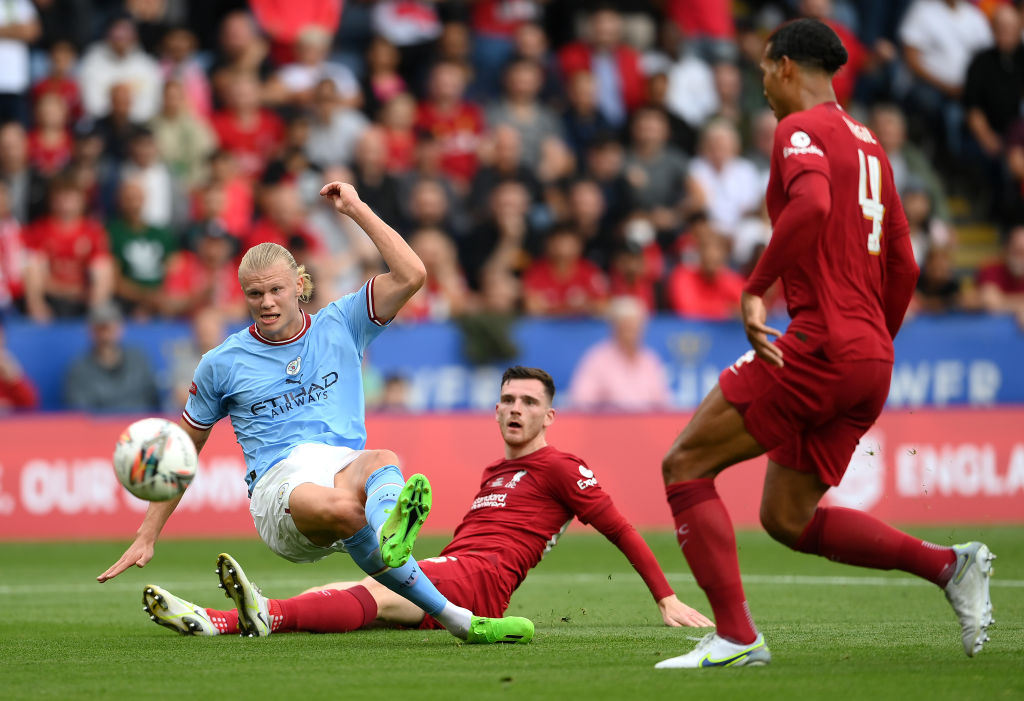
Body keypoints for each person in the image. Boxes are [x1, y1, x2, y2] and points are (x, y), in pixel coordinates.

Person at [655, 19, 994, 669]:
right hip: (870, 357)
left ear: (786, 66)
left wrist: (756, 289)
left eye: (763, 69)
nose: (761, 83)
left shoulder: (798, 130)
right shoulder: (871, 146)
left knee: (685, 465)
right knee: (787, 517)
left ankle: (737, 637)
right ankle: (949, 566)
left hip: (819, 344)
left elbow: (809, 205)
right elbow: (905, 264)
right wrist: (871, 343)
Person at [97, 182, 534, 647]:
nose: (267, 302)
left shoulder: (342, 323)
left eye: (276, 290)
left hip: (342, 468)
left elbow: (412, 274)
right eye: (255, 294)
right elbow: (184, 450)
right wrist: (148, 534)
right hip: (278, 488)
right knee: (346, 508)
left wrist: (357, 210)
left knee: (381, 461)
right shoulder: (221, 364)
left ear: (300, 287)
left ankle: (452, 610)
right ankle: (389, 530)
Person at [140, 366, 712, 637]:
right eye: (508, 400)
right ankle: (225, 619)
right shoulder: (497, 470)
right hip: (459, 568)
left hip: (481, 579)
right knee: (350, 592)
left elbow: (621, 528)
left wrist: (665, 598)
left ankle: (256, 616)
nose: (516, 409)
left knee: (368, 592)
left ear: (549, 416)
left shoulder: (561, 467)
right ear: (496, 410)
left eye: (529, 402)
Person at [568, 297, 671, 411]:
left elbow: (663, 403)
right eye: (627, 327)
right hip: (608, 420)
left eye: (635, 327)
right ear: (615, 328)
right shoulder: (597, 359)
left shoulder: (650, 360)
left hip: (647, 420)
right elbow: (580, 400)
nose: (632, 333)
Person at [63, 301, 160, 413]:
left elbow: (154, 401)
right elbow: (80, 413)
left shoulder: (139, 359)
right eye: (100, 328)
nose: (105, 334)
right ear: (90, 331)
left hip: (138, 421)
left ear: (121, 328)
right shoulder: (78, 369)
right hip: (99, 424)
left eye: (110, 328)